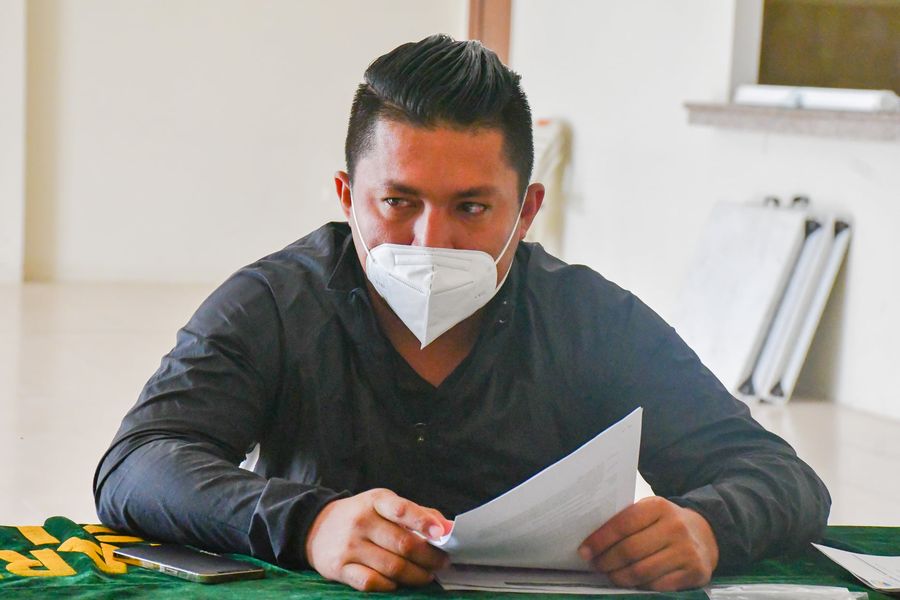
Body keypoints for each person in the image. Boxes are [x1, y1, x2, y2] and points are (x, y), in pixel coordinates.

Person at [94, 34, 831, 593]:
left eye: (471, 208)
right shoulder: (275, 304)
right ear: (348, 197)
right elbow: (136, 465)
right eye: (398, 201)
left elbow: (778, 475)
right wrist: (311, 524)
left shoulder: (590, 319)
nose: (430, 241)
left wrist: (707, 527)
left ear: (527, 210)